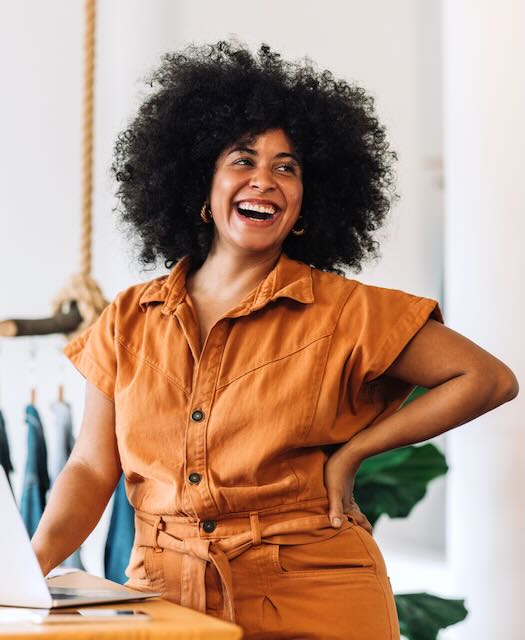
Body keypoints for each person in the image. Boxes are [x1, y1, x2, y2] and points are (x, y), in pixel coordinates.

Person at [31, 40, 519, 639]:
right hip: (164, 597)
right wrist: (29, 570)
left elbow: (488, 378)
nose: (265, 180)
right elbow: (88, 466)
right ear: (200, 186)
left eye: (286, 167)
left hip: (315, 597)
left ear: (306, 203)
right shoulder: (129, 317)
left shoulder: (345, 312)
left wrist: (356, 451)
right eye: (243, 160)